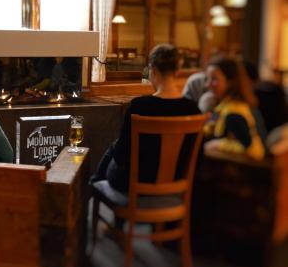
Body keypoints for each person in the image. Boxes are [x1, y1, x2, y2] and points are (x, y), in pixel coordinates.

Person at [91, 44, 201, 192]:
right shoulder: (193, 109)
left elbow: (121, 156)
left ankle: (94, 183)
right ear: (177, 71)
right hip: (176, 183)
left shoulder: (139, 106)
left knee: (116, 146)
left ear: (153, 70)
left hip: (133, 186)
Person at [203, 56, 265, 160]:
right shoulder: (223, 104)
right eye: (207, 78)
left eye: (214, 79)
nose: (207, 84)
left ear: (230, 82)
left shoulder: (233, 112)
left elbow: (246, 146)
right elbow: (211, 127)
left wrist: (217, 144)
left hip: (248, 169)